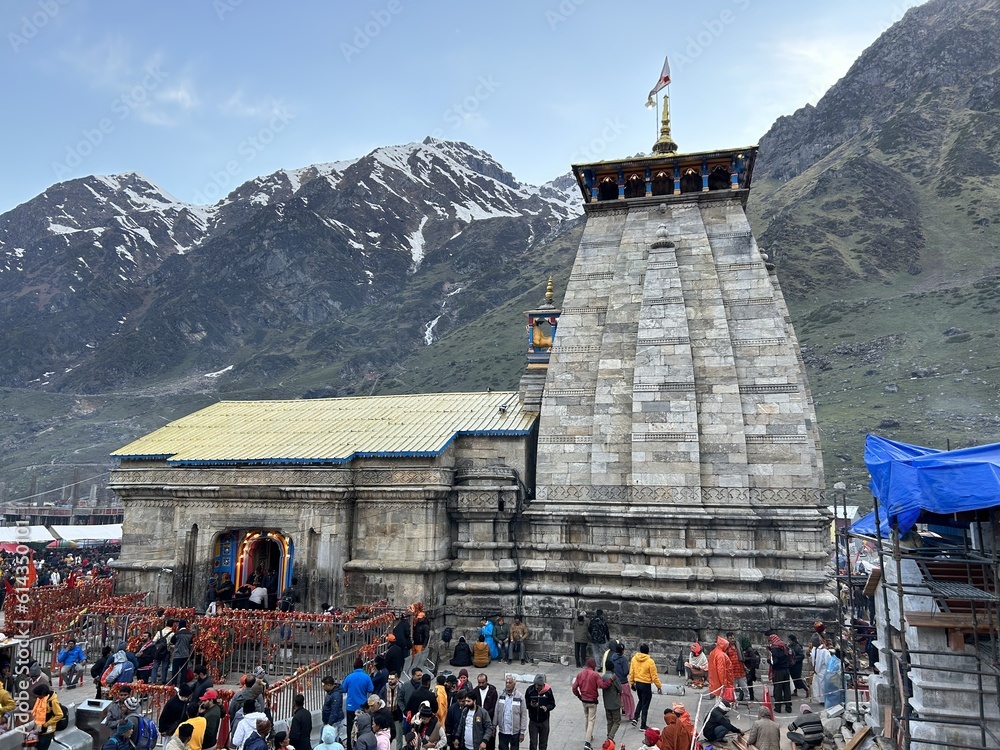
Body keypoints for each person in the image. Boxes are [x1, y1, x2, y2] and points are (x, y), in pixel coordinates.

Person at [628, 644, 662, 730]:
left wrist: (631, 682)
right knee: (645, 704)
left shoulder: (634, 659)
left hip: (638, 683)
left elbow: (631, 672)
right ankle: (643, 725)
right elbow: (654, 676)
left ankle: (635, 717)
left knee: (641, 700)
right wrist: (659, 686)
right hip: (646, 685)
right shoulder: (650, 661)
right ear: (648, 651)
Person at [343, 659, 374, 748]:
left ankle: (349, 747)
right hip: (362, 707)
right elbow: (370, 689)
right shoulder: (366, 677)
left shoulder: (349, 677)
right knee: (362, 729)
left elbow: (343, 689)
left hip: (350, 707)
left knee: (350, 729)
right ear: (362, 666)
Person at [572, 658, 601, 750]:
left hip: (584, 700)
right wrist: (610, 680)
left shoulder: (580, 674)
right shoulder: (595, 675)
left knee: (587, 718)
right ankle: (587, 742)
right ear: (594, 666)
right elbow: (602, 685)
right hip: (592, 700)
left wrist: (579, 696)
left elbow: (574, 688)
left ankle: (589, 736)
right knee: (591, 720)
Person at [491, 674, 526, 750]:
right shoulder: (501, 695)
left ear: (514, 684)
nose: (507, 685)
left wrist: (522, 732)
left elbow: (523, 715)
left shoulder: (520, 697)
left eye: (510, 683)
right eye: (506, 683)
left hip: (515, 732)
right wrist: (494, 727)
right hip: (503, 731)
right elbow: (497, 711)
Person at [524, 674, 554, 750]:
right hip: (533, 721)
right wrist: (531, 705)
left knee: (543, 744)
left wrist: (547, 708)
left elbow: (552, 703)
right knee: (533, 743)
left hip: (544, 721)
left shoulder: (548, 691)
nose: (537, 687)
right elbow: (525, 704)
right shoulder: (530, 690)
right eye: (536, 685)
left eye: (539, 685)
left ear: (543, 685)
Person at [31, 684, 63, 750]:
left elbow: (59, 715)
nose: (37, 696)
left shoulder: (53, 702)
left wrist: (46, 724)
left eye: (38, 695)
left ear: (43, 694)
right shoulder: (40, 699)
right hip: (40, 729)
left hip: (48, 730)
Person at [597, 658, 621, 743]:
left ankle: (608, 737)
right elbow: (620, 689)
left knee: (609, 721)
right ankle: (610, 737)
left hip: (606, 703)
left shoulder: (603, 677)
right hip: (615, 703)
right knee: (617, 721)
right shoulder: (614, 678)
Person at [609, 642, 634, 725]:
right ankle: (630, 714)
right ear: (622, 650)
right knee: (627, 698)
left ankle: (615, 714)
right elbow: (626, 671)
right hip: (623, 681)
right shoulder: (623, 659)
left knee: (617, 698)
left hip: (614, 680)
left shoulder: (612, 657)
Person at [767, 633, 792, 714]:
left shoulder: (775, 648)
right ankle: (788, 707)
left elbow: (775, 661)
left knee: (778, 689)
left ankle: (778, 707)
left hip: (778, 671)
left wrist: (769, 660)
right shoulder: (784, 646)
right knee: (786, 689)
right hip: (786, 670)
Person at [707, 636, 734, 701]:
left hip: (714, 678)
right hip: (722, 680)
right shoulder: (721, 655)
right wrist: (723, 683)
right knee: (721, 699)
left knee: (718, 697)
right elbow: (721, 670)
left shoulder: (713, 652)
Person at [724, 632, 748, 703]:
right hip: (731, 671)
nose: (733, 640)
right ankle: (733, 700)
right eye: (731, 638)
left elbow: (742, 657)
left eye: (733, 638)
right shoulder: (726, 647)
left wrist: (744, 666)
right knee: (732, 688)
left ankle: (747, 700)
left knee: (745, 687)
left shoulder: (738, 645)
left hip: (740, 670)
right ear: (727, 639)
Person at [322, 676, 346, 740]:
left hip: (334, 722)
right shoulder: (330, 693)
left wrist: (329, 723)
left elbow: (335, 710)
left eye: (324, 685)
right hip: (328, 721)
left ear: (329, 685)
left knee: (332, 740)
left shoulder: (336, 695)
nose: (323, 687)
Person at [171, 621, 194, 686]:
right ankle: (182, 683)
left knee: (175, 670)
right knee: (184, 670)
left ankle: (174, 684)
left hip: (177, 654)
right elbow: (191, 643)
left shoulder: (177, 633)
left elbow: (172, 641)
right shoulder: (189, 634)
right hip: (185, 654)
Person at [809, 635, 830, 705]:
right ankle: (820, 699)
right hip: (817, 672)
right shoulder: (814, 649)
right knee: (817, 686)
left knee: (823, 687)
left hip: (823, 671)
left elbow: (828, 662)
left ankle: (824, 700)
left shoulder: (824, 651)